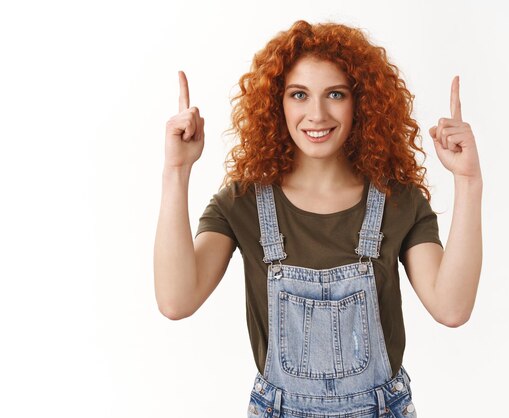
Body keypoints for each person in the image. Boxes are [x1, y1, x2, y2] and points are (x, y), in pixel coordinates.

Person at [154, 20, 482, 417]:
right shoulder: (241, 203)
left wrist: (468, 181)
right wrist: (176, 171)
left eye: (335, 94)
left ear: (361, 102)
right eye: (299, 95)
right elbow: (175, 300)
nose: (317, 113)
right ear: (277, 103)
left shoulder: (397, 202)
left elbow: (452, 308)